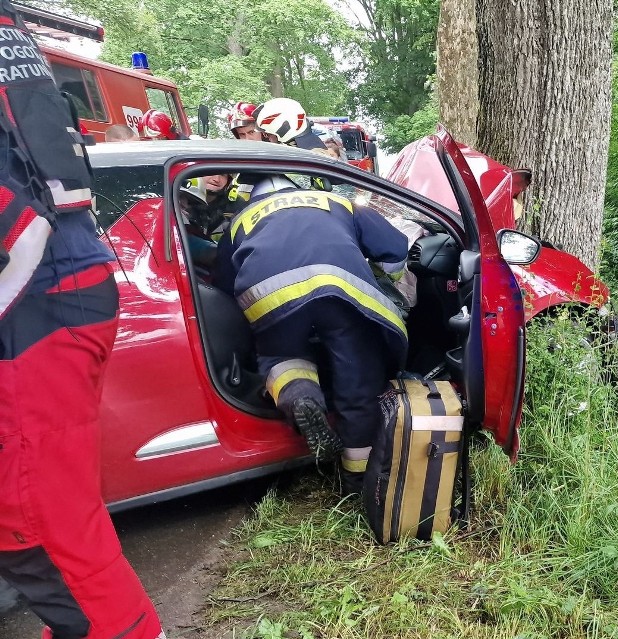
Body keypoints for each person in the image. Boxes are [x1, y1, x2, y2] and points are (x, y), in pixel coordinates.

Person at [0, 5, 166, 636]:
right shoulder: (14, 38)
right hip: (61, 274)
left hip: (32, 288)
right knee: (53, 513)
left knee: (35, 527)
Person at [214, 175, 409, 494]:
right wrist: (393, 281)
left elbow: (222, 283)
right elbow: (395, 248)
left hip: (269, 294)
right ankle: (358, 480)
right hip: (340, 285)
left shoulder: (239, 221)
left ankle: (302, 398)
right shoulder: (338, 202)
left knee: (280, 358)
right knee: (356, 374)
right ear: (298, 186)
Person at [253, 98, 326, 151]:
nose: (268, 139)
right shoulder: (311, 150)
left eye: (267, 134)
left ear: (283, 130)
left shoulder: (311, 157)